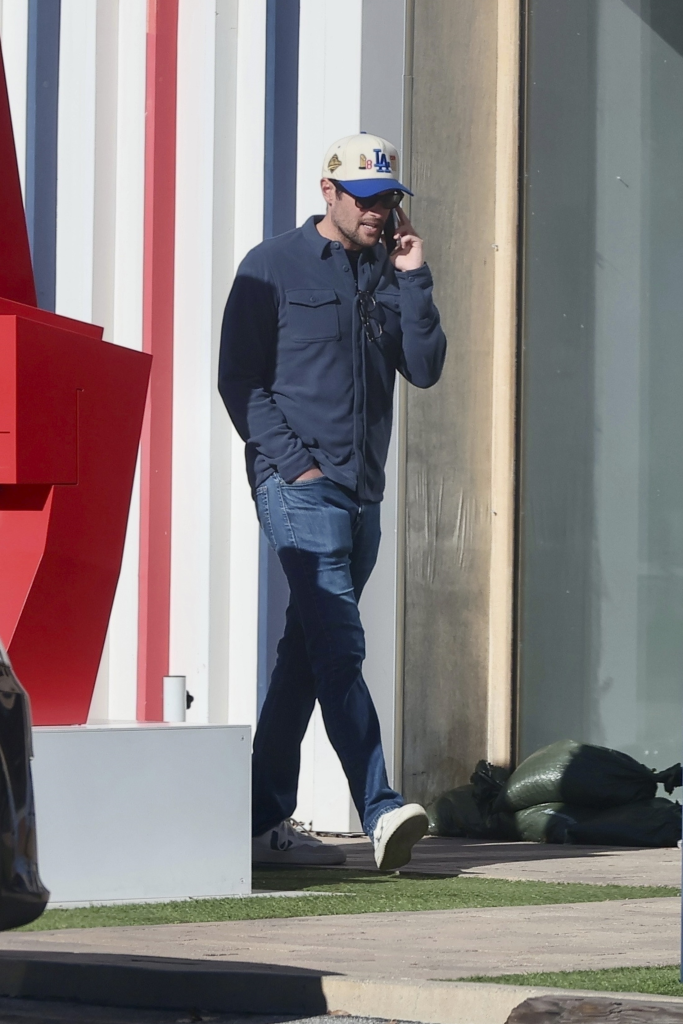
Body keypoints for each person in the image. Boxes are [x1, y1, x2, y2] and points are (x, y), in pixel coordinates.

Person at [219, 133, 447, 870]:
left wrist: (414, 277)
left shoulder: (389, 269)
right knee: (341, 647)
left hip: (362, 495)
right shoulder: (270, 266)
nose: (378, 212)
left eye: (387, 199)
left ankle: (259, 823)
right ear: (328, 192)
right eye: (365, 198)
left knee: (307, 657)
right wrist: (297, 468)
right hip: (299, 489)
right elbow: (238, 382)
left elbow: (425, 367)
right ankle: (380, 809)